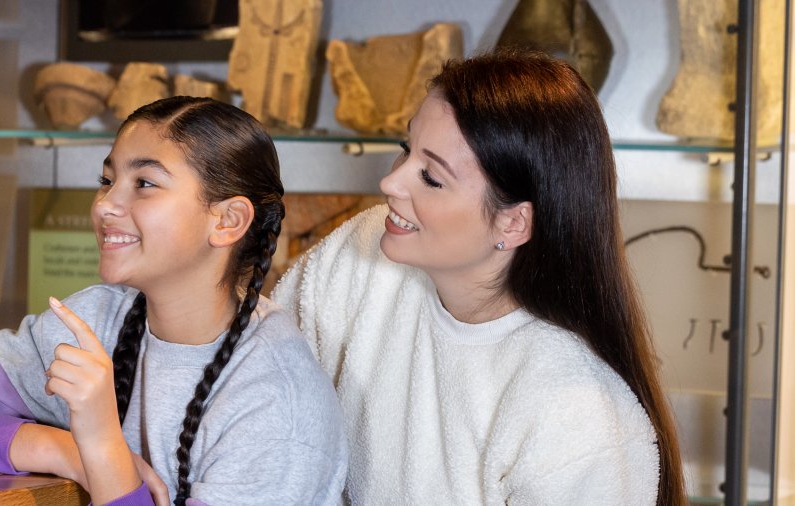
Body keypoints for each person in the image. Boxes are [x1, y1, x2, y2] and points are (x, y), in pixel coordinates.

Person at [0, 96, 346, 505]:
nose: (106, 205)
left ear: (227, 221)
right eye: (107, 180)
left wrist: (104, 445)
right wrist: (64, 449)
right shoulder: (95, 319)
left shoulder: (278, 404)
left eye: (145, 184)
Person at [272, 49, 685, 504]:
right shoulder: (362, 253)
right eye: (405, 151)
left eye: (430, 177)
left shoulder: (580, 419)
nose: (391, 184)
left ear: (513, 224)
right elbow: (259, 379)